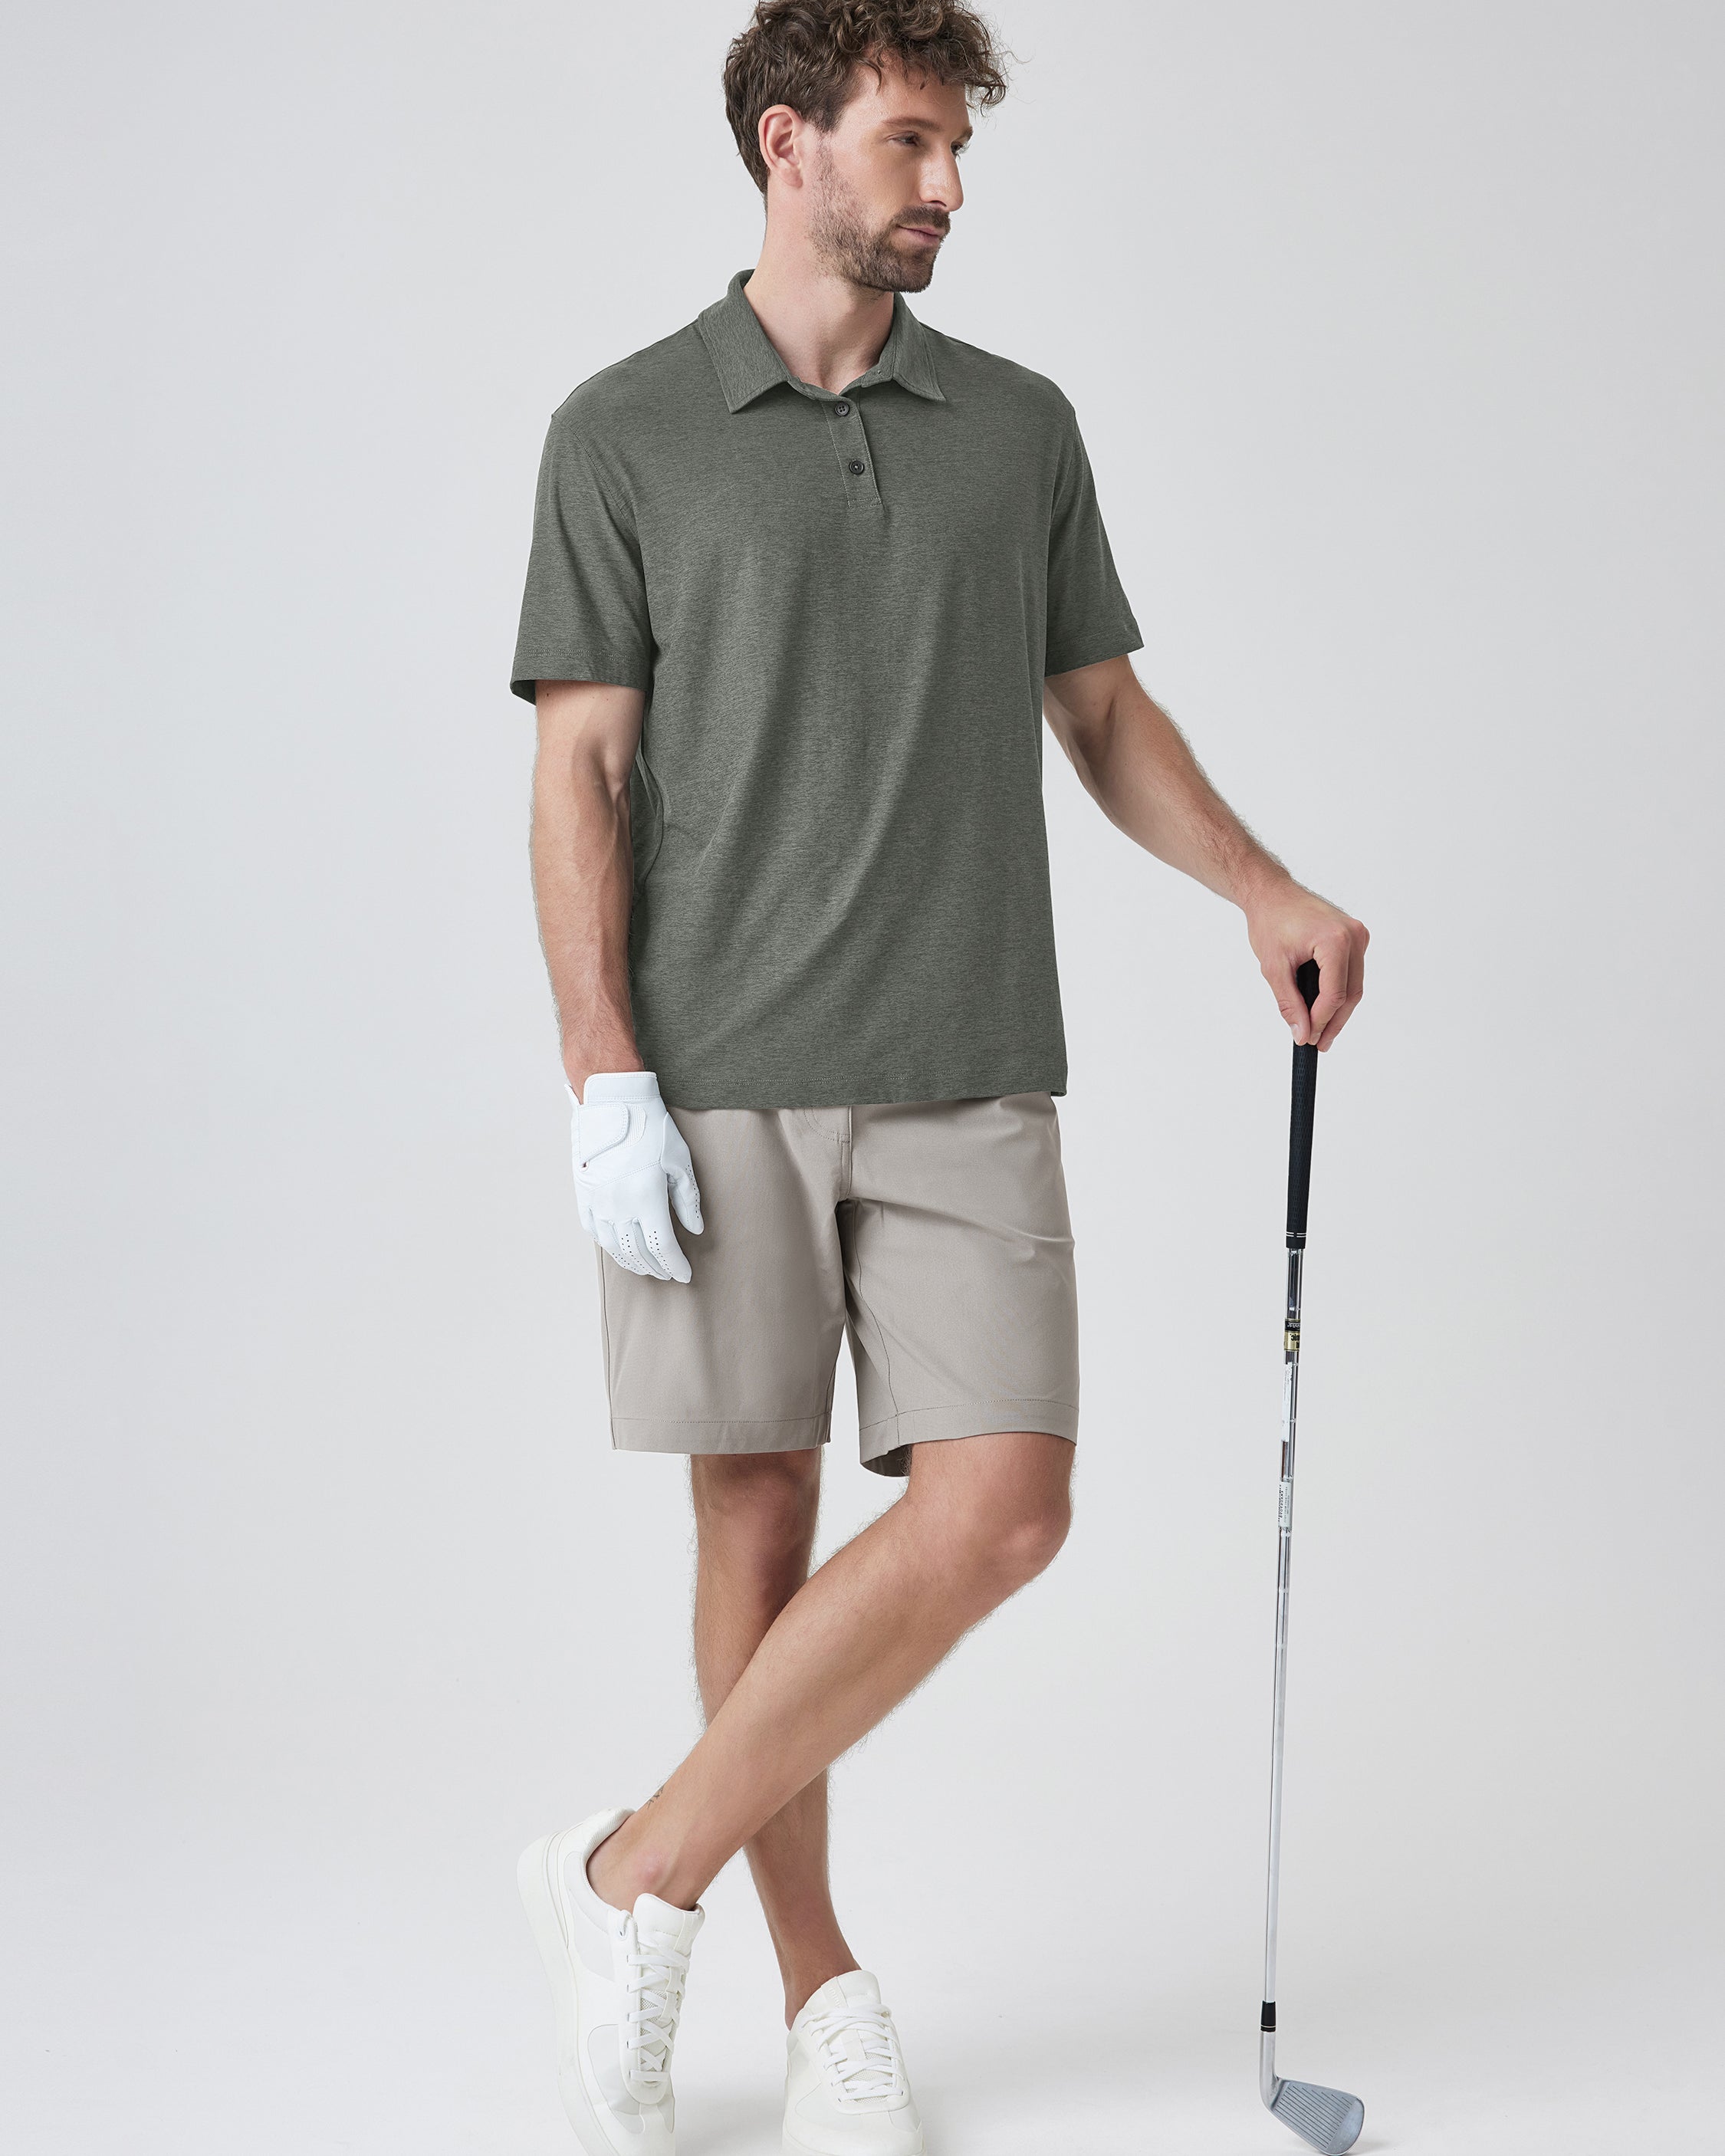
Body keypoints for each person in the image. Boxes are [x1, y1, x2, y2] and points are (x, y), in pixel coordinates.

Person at [508, 4, 1368, 2151]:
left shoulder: (1017, 427)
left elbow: (1099, 710)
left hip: (969, 1054)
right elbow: (580, 770)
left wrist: (1258, 882)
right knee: (759, 1513)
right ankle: (821, 1999)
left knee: (1002, 1507)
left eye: (957, 147)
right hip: (713, 1071)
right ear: (785, 145)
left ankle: (628, 1876)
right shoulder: (620, 431)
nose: (947, 187)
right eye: (908, 142)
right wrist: (604, 1073)